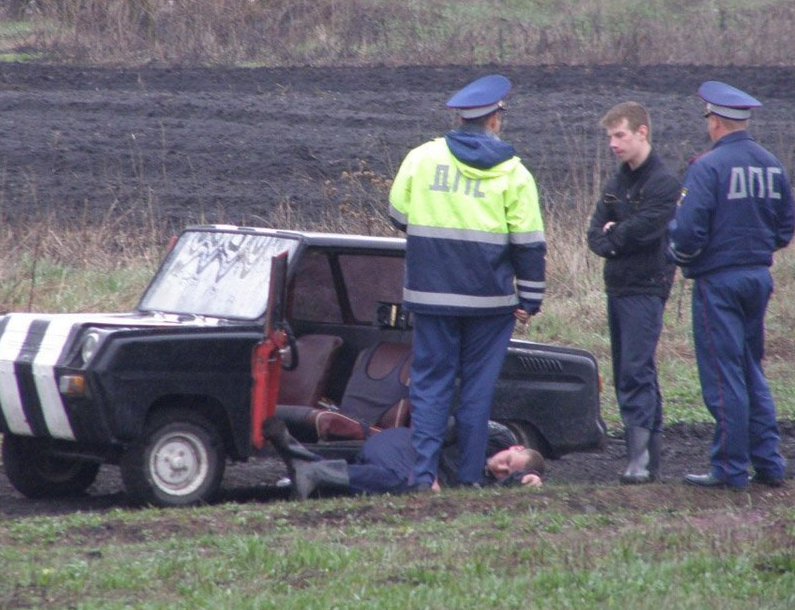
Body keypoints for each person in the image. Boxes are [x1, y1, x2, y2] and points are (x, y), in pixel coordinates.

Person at [388, 74, 547, 490]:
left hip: (431, 296)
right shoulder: (515, 173)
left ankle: (424, 477)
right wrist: (529, 299)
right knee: (477, 391)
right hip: (490, 303)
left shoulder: (421, 158)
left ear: (461, 118)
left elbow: (399, 216)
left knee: (429, 387)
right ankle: (469, 480)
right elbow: (529, 243)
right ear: (495, 120)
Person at [668, 81, 795, 491]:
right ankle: (769, 463)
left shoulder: (707, 166)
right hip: (758, 278)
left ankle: (729, 468)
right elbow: (785, 230)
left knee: (724, 377)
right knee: (750, 370)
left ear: (715, 121)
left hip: (718, 283)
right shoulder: (772, 164)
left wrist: (681, 254)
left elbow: (687, 233)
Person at [586, 101, 680, 484]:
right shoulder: (616, 183)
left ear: (642, 132)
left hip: (646, 288)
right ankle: (647, 460)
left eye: (620, 135)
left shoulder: (664, 183)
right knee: (632, 368)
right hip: (618, 287)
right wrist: (612, 236)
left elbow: (643, 230)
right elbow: (594, 235)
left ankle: (640, 461)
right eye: (610, 136)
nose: (613, 143)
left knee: (634, 370)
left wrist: (615, 233)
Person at [263, 417, 545, 499]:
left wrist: (525, 480)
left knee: (374, 486)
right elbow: (444, 428)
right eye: (507, 460)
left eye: (507, 473)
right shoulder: (492, 440)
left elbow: (502, 491)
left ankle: (303, 466)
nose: (501, 468)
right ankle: (313, 470)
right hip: (405, 446)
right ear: (516, 447)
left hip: (389, 462)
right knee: (413, 486)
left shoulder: (489, 484)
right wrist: (427, 471)